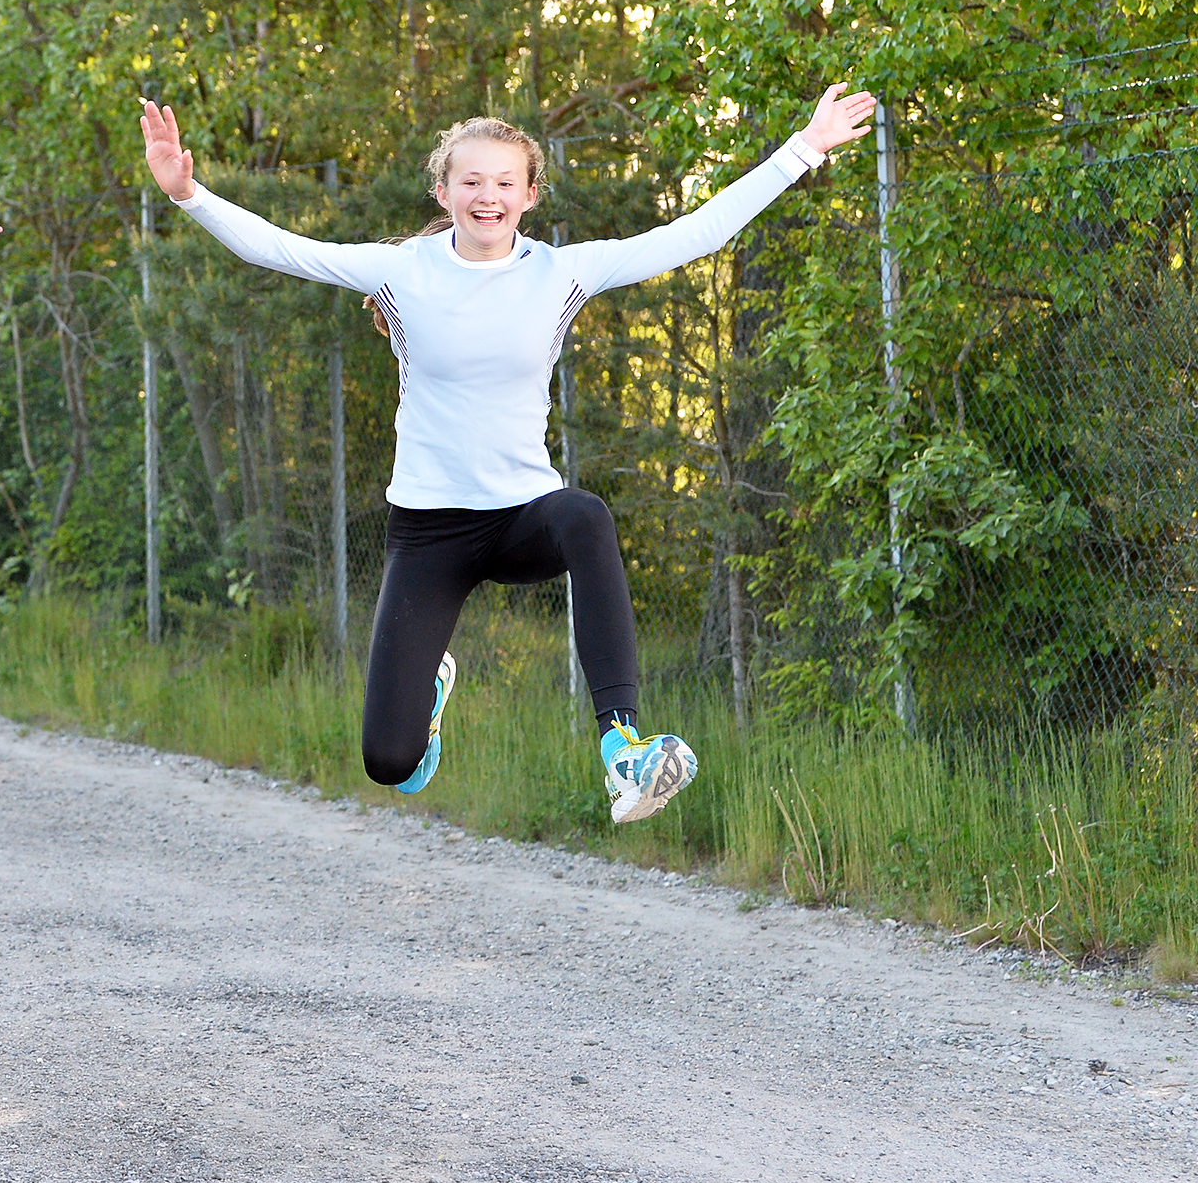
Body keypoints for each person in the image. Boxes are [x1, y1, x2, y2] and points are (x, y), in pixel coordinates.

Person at [139, 85, 875, 821]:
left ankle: (622, 748)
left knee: (585, 516)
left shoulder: (561, 272)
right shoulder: (402, 271)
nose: (486, 196)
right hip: (429, 530)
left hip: (524, 515)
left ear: (529, 195)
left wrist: (805, 146)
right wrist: (187, 193)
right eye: (471, 181)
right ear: (444, 190)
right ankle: (427, 692)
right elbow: (281, 250)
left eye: (503, 183)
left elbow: (698, 233)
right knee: (389, 763)